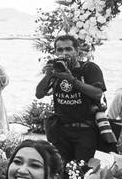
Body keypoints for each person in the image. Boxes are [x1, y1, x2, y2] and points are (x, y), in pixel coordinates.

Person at [34, 34, 106, 172]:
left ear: (77, 51)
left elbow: (97, 93)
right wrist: (48, 74)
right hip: (60, 131)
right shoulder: (56, 69)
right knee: (60, 172)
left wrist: (72, 79)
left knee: (82, 172)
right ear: (55, 52)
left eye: (68, 49)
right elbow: (39, 94)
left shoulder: (89, 68)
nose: (64, 53)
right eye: (59, 50)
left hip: (85, 131)